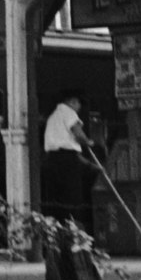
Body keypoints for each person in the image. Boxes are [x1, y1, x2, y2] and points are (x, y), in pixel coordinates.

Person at [42, 89, 98, 232]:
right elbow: (77, 133)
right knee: (72, 199)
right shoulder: (68, 112)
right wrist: (88, 142)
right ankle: (74, 234)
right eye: (79, 104)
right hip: (67, 162)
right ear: (72, 102)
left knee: (55, 200)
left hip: (52, 160)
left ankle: (56, 234)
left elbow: (72, 151)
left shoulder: (52, 117)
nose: (79, 108)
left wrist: (91, 165)